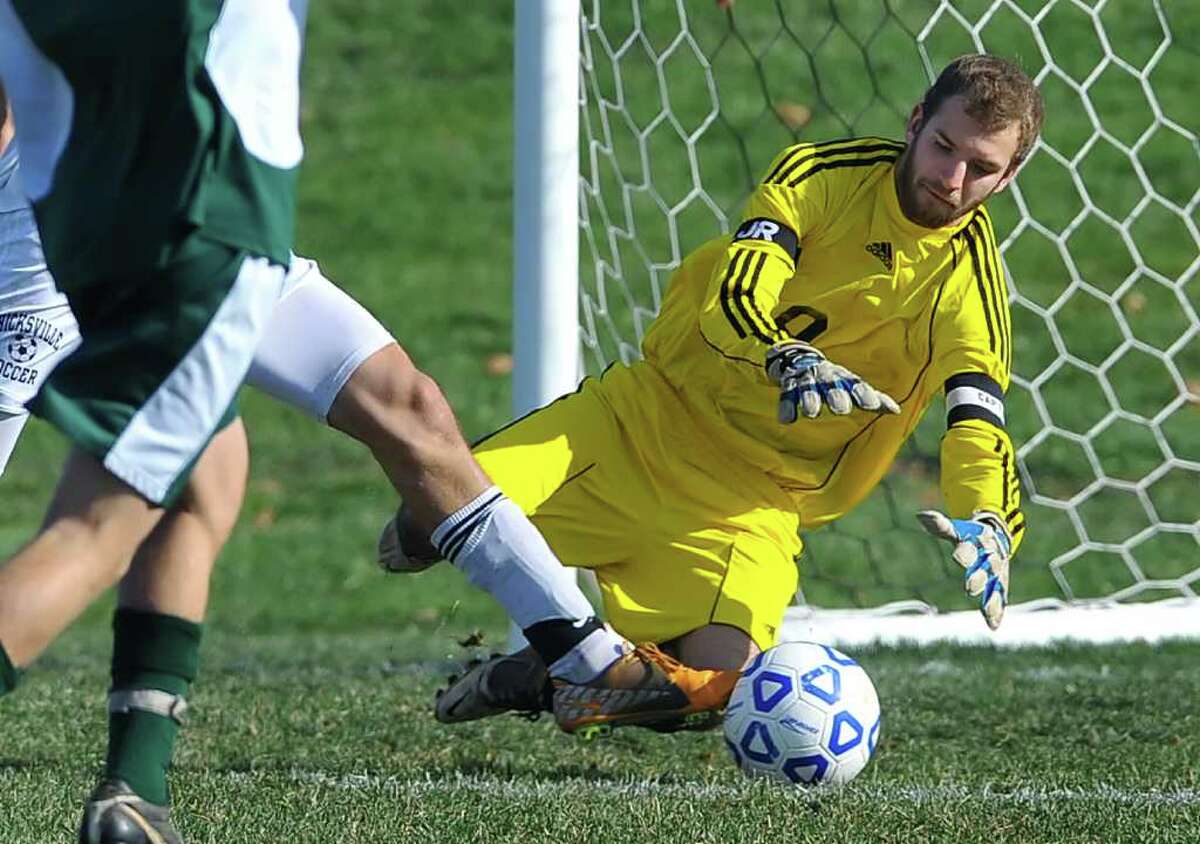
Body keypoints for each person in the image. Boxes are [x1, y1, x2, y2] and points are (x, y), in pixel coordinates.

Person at [0, 48, 732, 844]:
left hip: (215, 221)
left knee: (366, 419)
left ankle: (581, 659)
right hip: (80, 245)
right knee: (102, 526)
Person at [385, 54, 1041, 727]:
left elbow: (977, 423)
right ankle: (563, 639)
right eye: (943, 147)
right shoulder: (822, 176)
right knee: (415, 530)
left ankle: (536, 676)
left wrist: (990, 520)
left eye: (982, 167)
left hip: (751, 504)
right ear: (915, 123)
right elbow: (736, 293)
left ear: (1009, 175)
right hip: (638, 421)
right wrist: (778, 353)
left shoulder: (970, 292)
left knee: (718, 693)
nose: (953, 178)